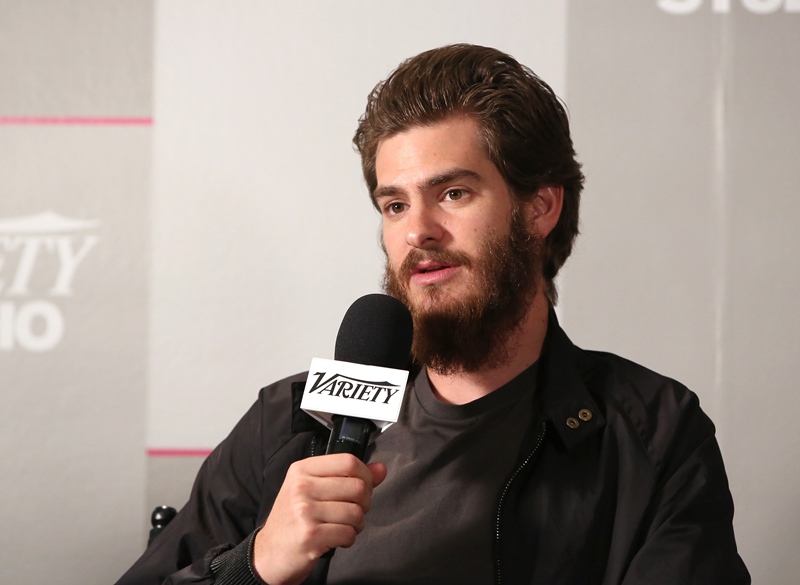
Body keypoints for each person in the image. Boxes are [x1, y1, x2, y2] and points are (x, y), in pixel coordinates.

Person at [117, 44, 750, 585]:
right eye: (394, 205)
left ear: (539, 208)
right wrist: (253, 566)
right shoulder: (288, 424)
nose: (418, 230)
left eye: (453, 193)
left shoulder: (651, 434)